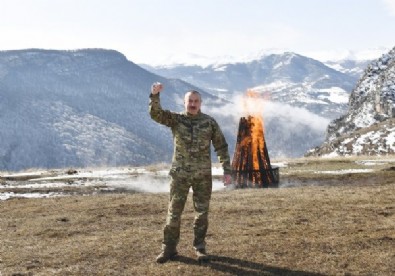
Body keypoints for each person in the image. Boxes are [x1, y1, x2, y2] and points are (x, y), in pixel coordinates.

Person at [149, 82, 232, 263]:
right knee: (173, 214)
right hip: (180, 175)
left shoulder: (209, 122)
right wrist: (155, 96)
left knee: (201, 214)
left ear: (200, 103)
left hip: (202, 176)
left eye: (196, 101)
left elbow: (221, 146)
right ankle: (169, 249)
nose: (193, 104)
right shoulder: (176, 119)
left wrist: (227, 170)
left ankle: (200, 248)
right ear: (184, 103)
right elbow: (156, 114)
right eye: (190, 101)